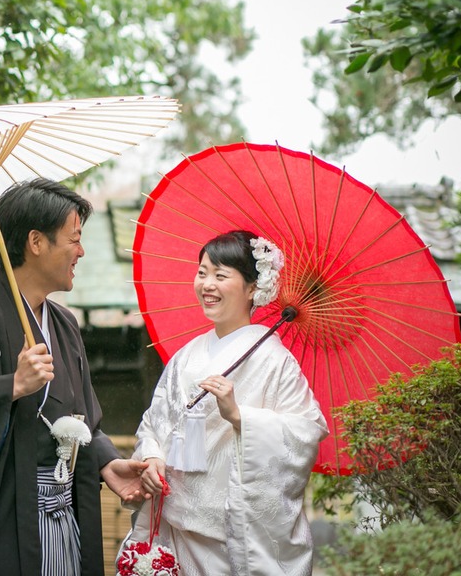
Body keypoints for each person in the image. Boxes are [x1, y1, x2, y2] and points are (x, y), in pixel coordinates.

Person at [0, 178, 148, 576]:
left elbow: (83, 420)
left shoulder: (63, 323)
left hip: (65, 516)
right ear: (36, 243)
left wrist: (108, 463)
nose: (81, 251)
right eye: (73, 239)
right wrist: (11, 386)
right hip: (9, 520)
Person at [126, 230, 328, 576]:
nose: (207, 284)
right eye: (202, 272)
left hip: (231, 537)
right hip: (175, 526)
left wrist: (240, 417)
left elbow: (307, 432)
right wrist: (152, 456)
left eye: (220, 275)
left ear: (253, 288)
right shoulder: (186, 356)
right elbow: (154, 424)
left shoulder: (275, 362)